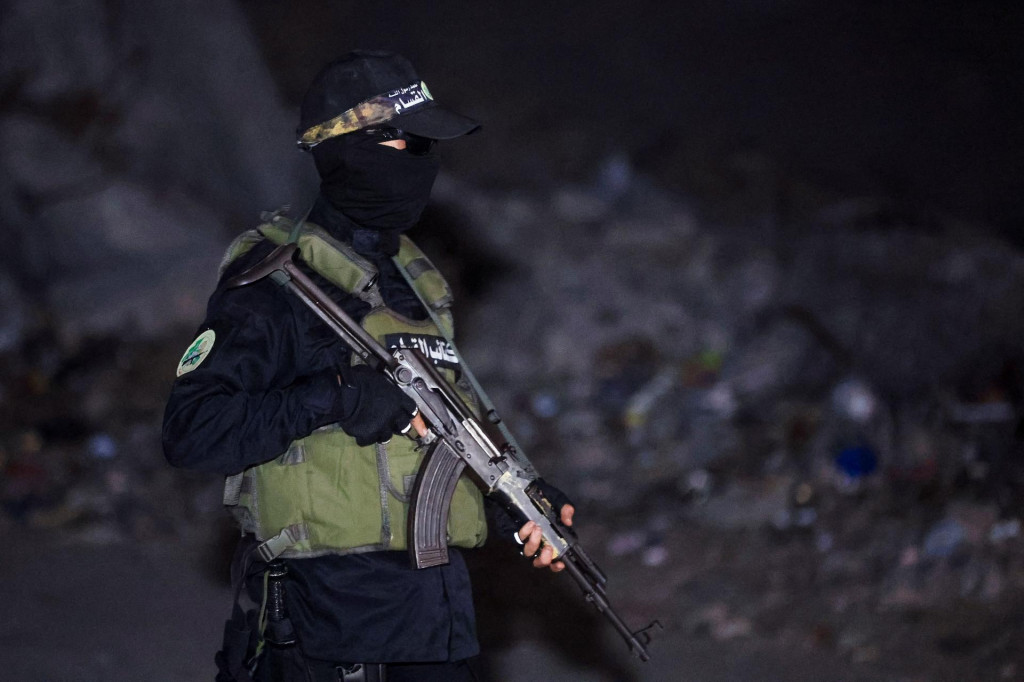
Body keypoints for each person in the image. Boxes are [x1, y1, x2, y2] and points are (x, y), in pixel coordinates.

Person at [162, 50, 575, 682]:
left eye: (426, 148)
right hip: (330, 625)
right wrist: (336, 397)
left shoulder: (417, 285)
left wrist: (516, 502)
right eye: (406, 143)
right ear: (349, 151)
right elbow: (192, 429)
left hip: (435, 623)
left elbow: (443, 437)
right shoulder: (277, 282)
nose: (421, 164)